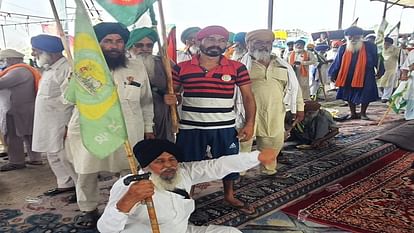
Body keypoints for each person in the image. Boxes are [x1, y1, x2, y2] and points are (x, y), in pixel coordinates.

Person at [65, 22, 155, 228]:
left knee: (129, 170)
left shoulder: (136, 66)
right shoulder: (81, 65)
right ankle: (89, 209)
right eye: (108, 41)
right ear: (98, 43)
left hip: (127, 128)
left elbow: (146, 100)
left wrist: (149, 127)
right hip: (91, 128)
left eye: (119, 41)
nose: (114, 46)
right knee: (86, 171)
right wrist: (74, 80)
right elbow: (66, 100)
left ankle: (128, 207)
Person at [166, 25, 256, 215]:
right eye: (211, 39)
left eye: (222, 40)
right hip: (190, 127)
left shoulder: (237, 67)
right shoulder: (181, 68)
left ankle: (229, 195)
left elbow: (248, 97)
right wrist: (173, 98)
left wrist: (249, 124)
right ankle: (186, 198)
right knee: (187, 164)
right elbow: (176, 95)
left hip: (224, 127)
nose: (217, 44)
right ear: (199, 42)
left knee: (229, 162)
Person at [98, 139, 276, 233]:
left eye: (172, 159)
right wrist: (127, 202)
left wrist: (256, 157)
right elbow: (105, 229)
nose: (168, 165)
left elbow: (217, 166)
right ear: (145, 166)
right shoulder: (129, 186)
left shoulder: (183, 172)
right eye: (159, 161)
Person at [239, 29, 304, 175]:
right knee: (243, 143)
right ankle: (239, 172)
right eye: (258, 42)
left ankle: (268, 170)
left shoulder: (283, 65)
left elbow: (295, 88)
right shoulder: (239, 66)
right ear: (248, 44)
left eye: (267, 42)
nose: (263, 46)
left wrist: (299, 108)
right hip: (246, 111)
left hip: (275, 111)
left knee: (272, 142)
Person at [30, 34, 78, 199]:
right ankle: (65, 184)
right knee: (52, 154)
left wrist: (68, 125)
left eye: (36, 51)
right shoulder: (49, 69)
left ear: (48, 51)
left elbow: (72, 99)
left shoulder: (67, 68)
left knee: (67, 157)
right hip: (47, 120)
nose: (33, 54)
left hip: (62, 122)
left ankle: (82, 189)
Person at [126, 27, 174, 141]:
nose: (145, 49)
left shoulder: (165, 63)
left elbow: (178, 87)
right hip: (133, 117)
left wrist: (174, 97)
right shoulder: (122, 66)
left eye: (149, 45)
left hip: (161, 116)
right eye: (139, 45)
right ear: (129, 47)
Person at [329, 26, 384, 120]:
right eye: (350, 37)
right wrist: (333, 73)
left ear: (361, 37)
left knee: (366, 93)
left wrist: (380, 70)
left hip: (366, 74)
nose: (353, 39)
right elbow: (337, 61)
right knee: (348, 93)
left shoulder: (370, 46)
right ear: (347, 37)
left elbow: (377, 59)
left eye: (356, 37)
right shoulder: (343, 47)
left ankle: (363, 113)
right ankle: (353, 113)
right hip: (347, 74)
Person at [0, 49, 42, 171]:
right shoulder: (25, 69)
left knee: (13, 136)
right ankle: (35, 158)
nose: (4, 62)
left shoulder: (18, 71)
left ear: (12, 59)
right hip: (25, 107)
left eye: (5, 60)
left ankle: (16, 161)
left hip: (17, 109)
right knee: (29, 134)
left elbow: (1, 83)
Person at [378, 37, 400, 103]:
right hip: (382, 70)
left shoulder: (396, 49)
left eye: (387, 44)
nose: (385, 45)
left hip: (391, 69)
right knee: (380, 84)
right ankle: (381, 95)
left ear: (390, 44)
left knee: (389, 84)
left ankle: (386, 97)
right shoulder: (380, 49)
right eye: (384, 43)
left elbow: (401, 58)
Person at [398, 50, 414, 120]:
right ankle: (410, 115)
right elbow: (406, 66)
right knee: (411, 96)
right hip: (412, 77)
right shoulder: (412, 53)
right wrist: (404, 75)